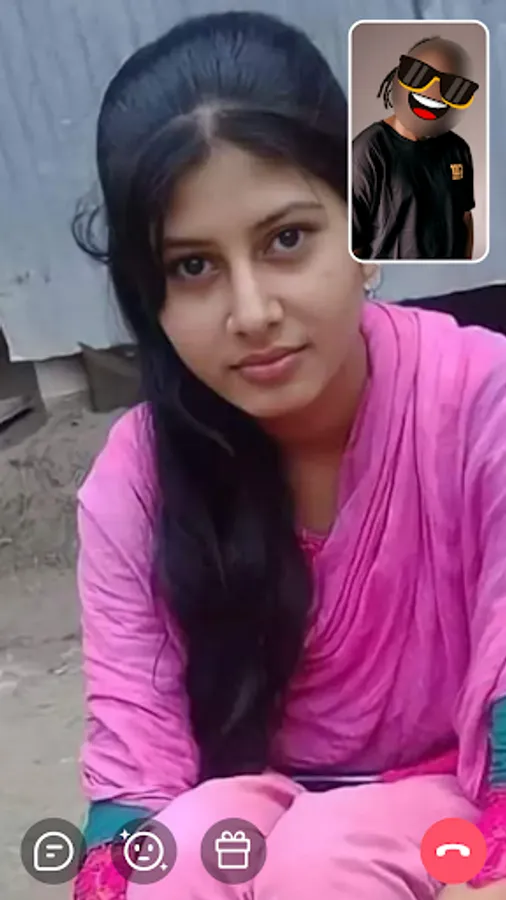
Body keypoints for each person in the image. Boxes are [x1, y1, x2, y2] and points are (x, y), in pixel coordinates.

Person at [72, 11, 506, 900]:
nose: (252, 312)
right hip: (253, 820)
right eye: (193, 267)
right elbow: (133, 780)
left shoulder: (480, 405)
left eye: (286, 240)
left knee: (325, 863)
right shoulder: (137, 480)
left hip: (464, 811)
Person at [352, 36, 477, 261]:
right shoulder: (368, 151)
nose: (433, 91)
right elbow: (353, 243)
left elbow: (464, 218)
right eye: (419, 75)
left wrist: (466, 269)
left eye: (453, 87)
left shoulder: (458, 149)